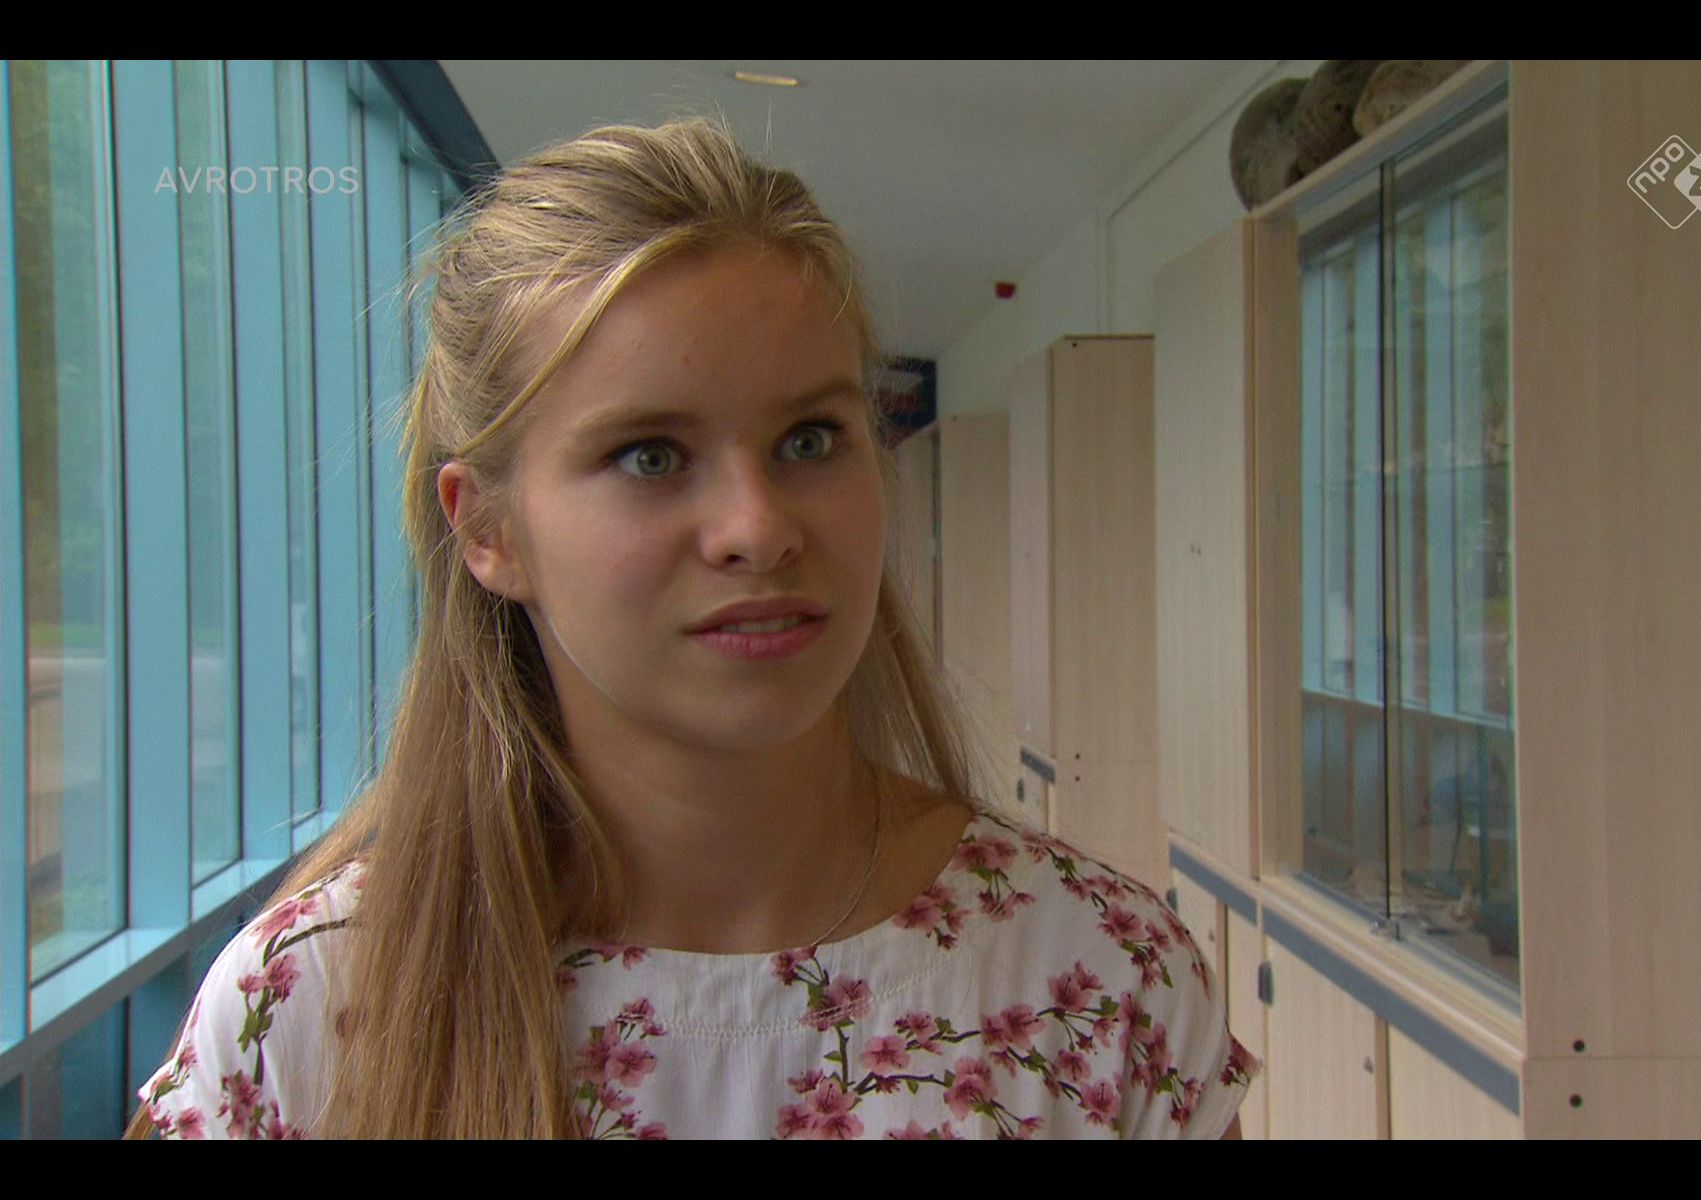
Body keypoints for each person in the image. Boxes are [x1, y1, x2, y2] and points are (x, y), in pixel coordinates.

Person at [128, 118, 1257, 1140]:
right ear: (488, 530)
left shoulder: (1105, 986)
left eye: (810, 440)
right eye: (651, 456)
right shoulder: (311, 1014)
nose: (757, 529)